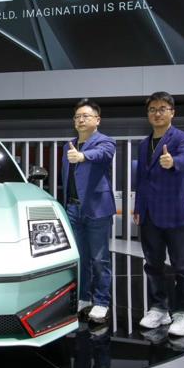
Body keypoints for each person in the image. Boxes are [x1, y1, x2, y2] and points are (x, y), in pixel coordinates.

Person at [134, 91, 184, 337]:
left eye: (162, 109)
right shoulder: (143, 144)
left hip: (175, 214)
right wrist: (138, 208)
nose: (157, 113)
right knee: (153, 265)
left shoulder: (182, 138)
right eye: (152, 109)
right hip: (149, 215)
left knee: (182, 266)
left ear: (172, 112)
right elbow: (141, 180)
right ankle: (159, 309)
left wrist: (174, 162)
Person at [61, 98, 116, 323]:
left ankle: (101, 301)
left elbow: (103, 154)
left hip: (97, 209)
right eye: (77, 116)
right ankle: (83, 298)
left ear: (97, 120)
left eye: (86, 116)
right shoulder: (68, 145)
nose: (80, 120)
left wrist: (83, 156)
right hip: (73, 209)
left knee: (99, 259)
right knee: (80, 258)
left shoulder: (105, 141)